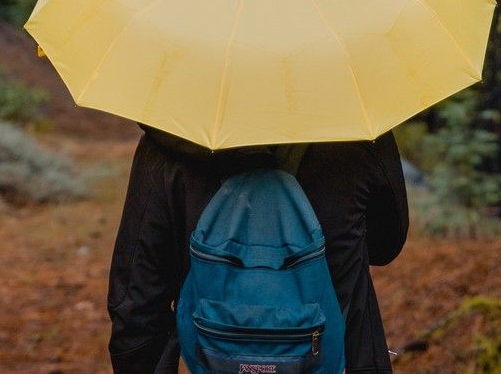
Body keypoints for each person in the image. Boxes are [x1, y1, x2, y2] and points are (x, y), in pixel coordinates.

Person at [107, 124, 409, 374]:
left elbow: (135, 301)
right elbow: (385, 247)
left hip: (215, 356)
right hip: (341, 356)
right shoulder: (355, 129)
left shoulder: (171, 136)